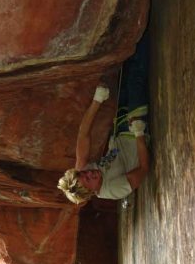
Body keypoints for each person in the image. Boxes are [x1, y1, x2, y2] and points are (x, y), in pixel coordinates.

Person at [58, 33, 151, 204]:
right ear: (91, 192)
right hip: (135, 133)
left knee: (124, 72)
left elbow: (83, 133)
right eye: (89, 179)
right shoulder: (113, 189)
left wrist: (97, 100)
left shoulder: (81, 174)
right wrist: (139, 134)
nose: (89, 173)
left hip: (120, 127)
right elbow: (144, 169)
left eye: (84, 174)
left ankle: (137, 31)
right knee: (135, 78)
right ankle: (145, 32)